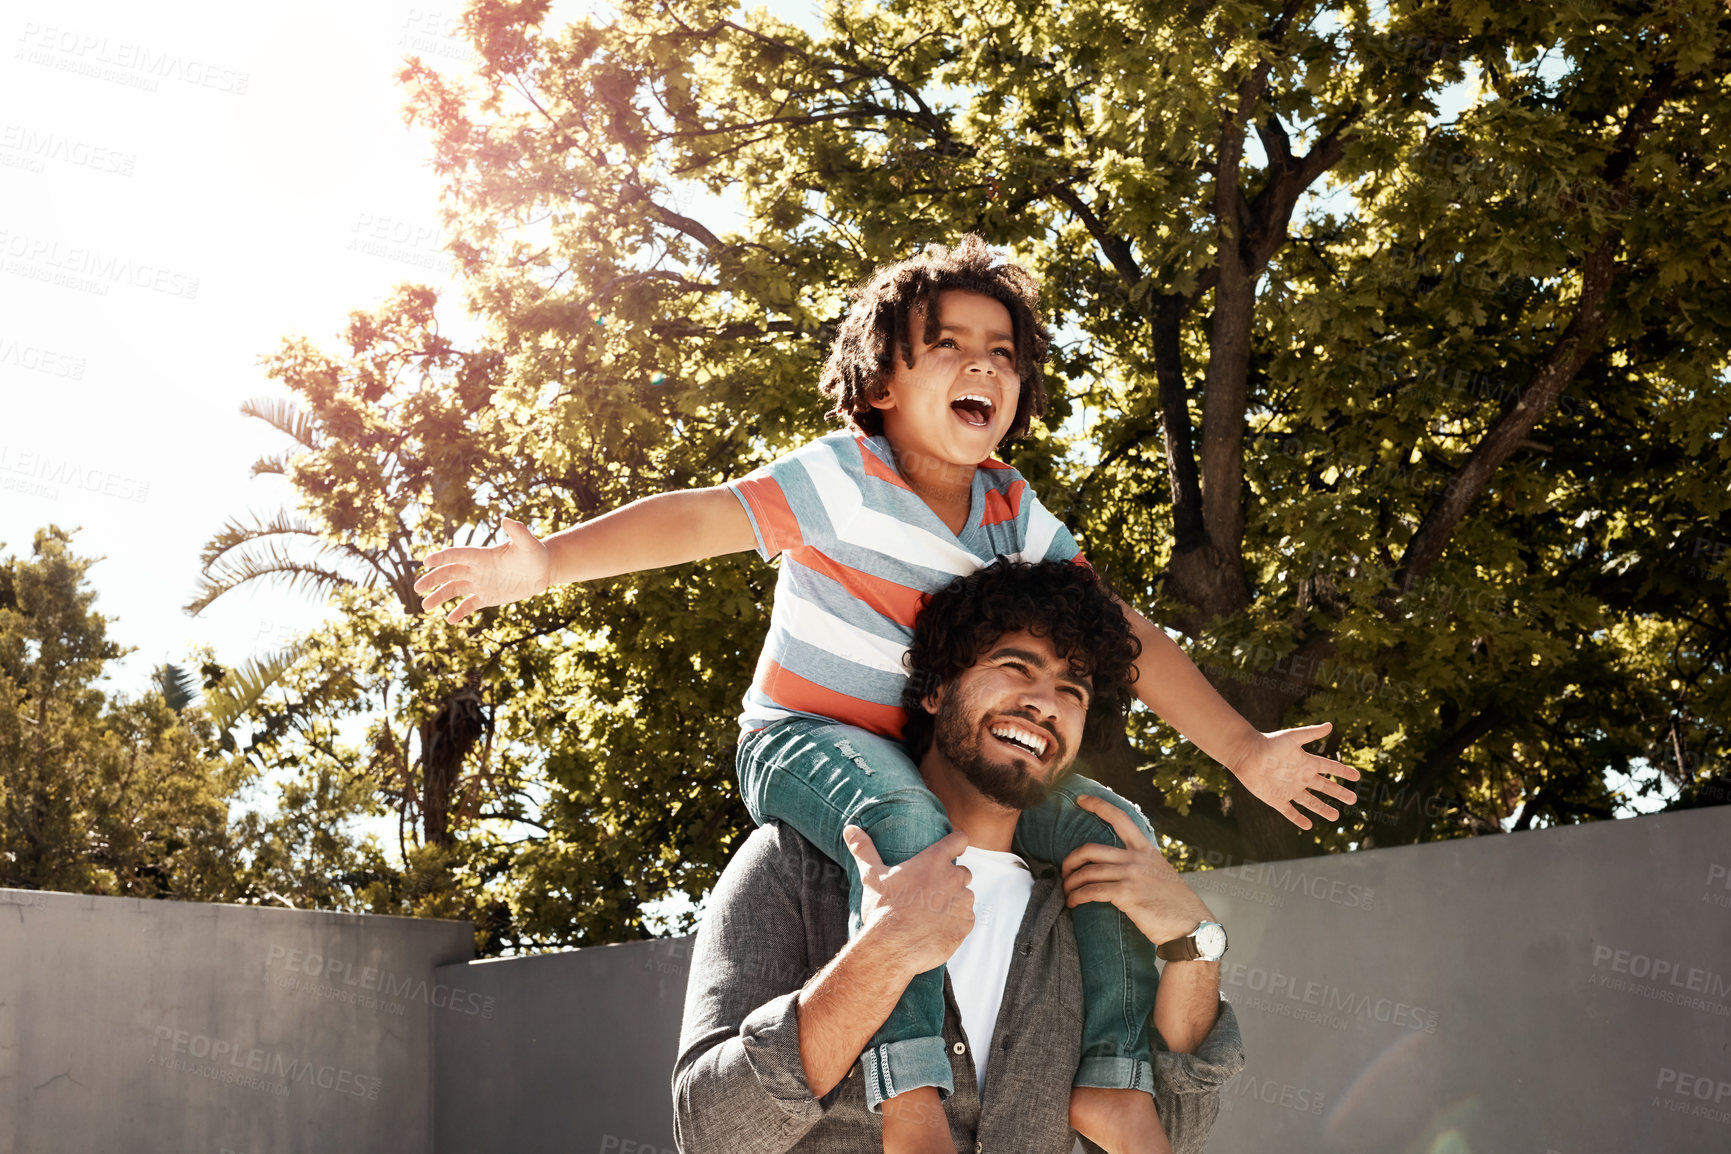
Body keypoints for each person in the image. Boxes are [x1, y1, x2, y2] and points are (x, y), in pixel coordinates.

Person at [414, 234, 1355, 1152]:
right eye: (945, 344)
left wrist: (1243, 750)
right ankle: (911, 1099)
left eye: (1001, 353)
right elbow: (704, 516)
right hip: (801, 739)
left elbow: (1125, 636)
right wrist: (548, 566)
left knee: (1112, 829)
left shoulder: (1010, 513)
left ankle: (1111, 1083)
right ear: (879, 384)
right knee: (904, 824)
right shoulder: (845, 478)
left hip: (899, 760)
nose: (979, 364)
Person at [671, 558, 1244, 1154]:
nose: (1045, 703)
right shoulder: (794, 864)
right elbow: (711, 1132)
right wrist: (883, 951)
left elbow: (1169, 1134)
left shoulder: (1094, 900)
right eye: (1016, 666)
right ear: (938, 689)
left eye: (1071, 691)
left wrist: (1195, 944)